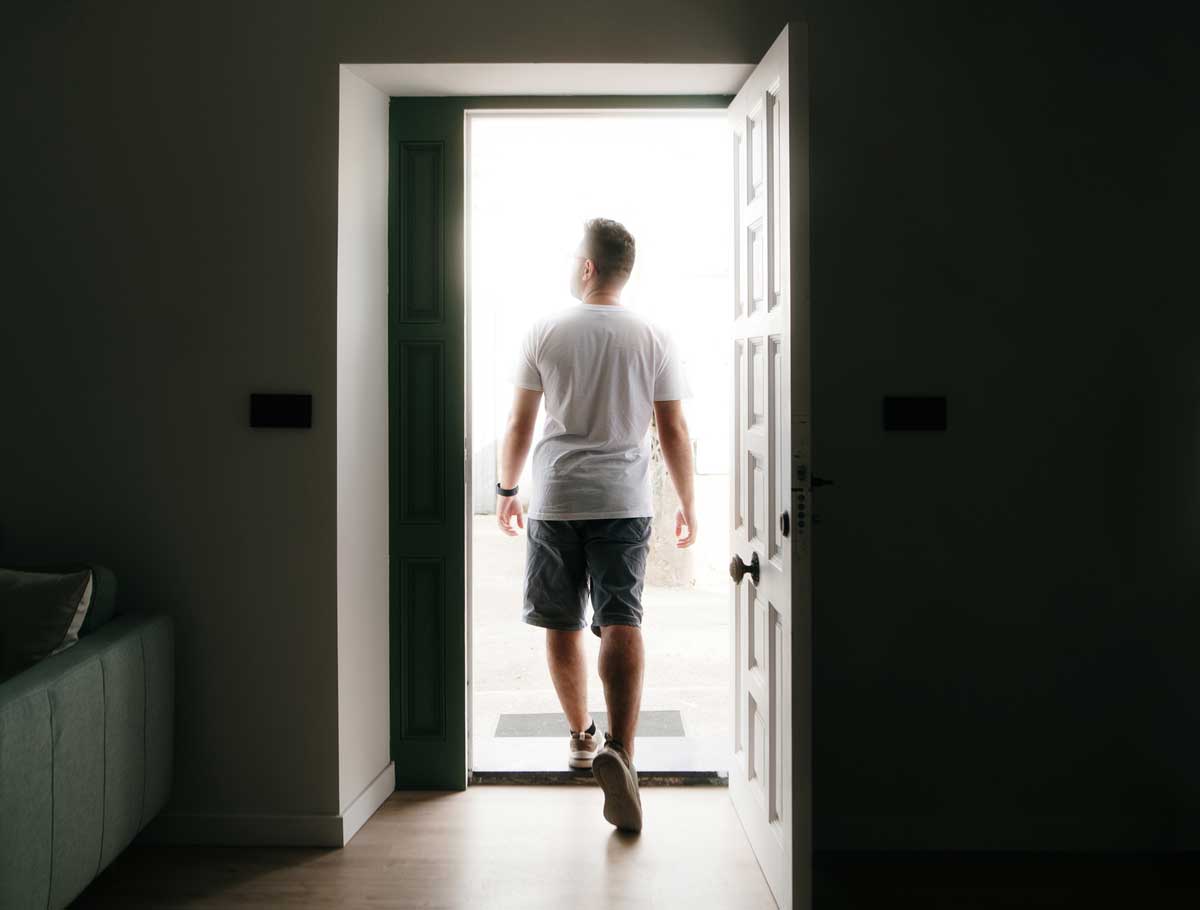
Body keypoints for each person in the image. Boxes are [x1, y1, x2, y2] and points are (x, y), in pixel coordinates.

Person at [495, 217, 696, 833]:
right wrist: (690, 502)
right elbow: (673, 429)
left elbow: (521, 425)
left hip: (557, 499)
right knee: (621, 618)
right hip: (625, 499)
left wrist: (507, 488)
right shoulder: (654, 335)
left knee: (560, 620)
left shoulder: (544, 330)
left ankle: (582, 737)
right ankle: (623, 752)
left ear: (588, 267)